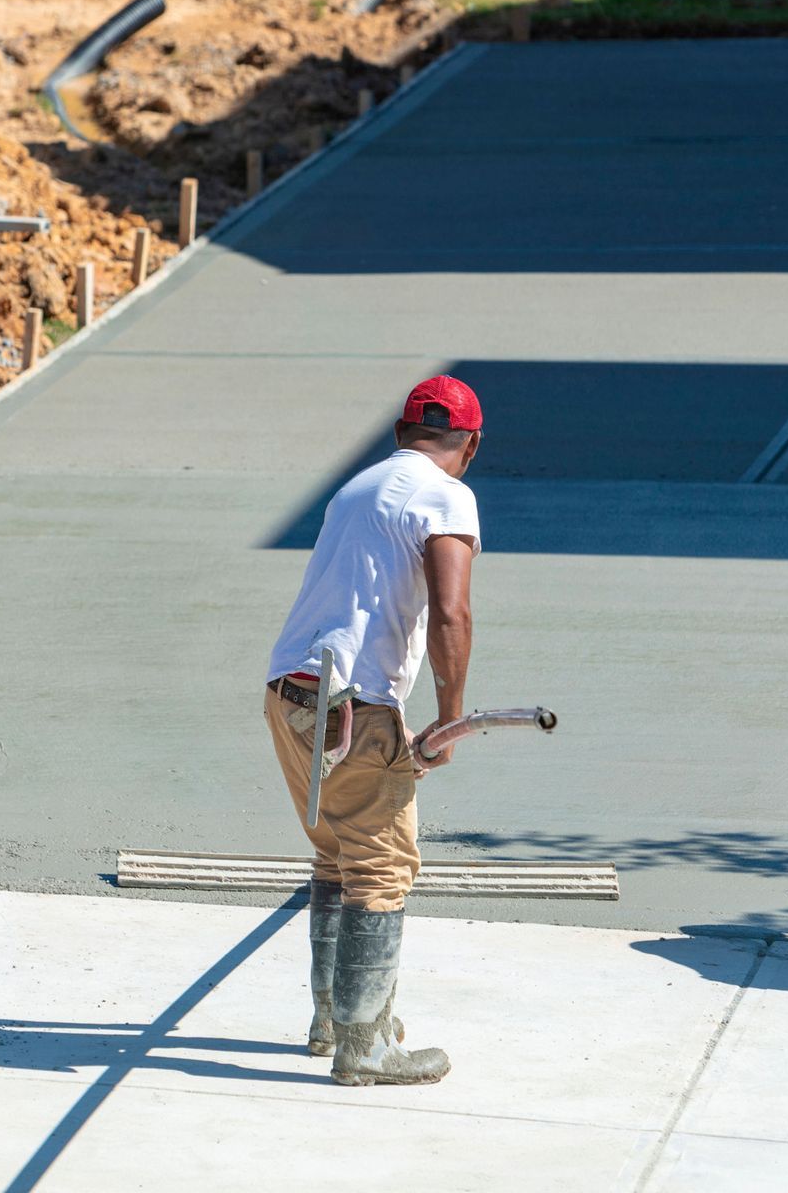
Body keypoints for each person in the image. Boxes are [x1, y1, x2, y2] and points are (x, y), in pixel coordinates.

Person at [264, 375, 483, 1086]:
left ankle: (332, 1020)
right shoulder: (448, 496)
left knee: (336, 852)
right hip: (355, 706)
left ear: (399, 434)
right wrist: (451, 719)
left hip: (291, 691)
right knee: (382, 868)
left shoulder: (354, 489)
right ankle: (365, 1047)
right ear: (470, 446)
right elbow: (451, 613)